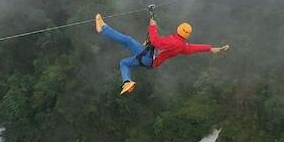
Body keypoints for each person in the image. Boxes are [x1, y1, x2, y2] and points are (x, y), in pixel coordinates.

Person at [95, 11, 229, 95]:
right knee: (123, 63)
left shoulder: (172, 41)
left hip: (148, 56)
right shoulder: (182, 46)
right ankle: (127, 82)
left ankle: (103, 29)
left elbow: (154, 41)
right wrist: (211, 48)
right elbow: (194, 48)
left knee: (128, 40)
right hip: (151, 62)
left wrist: (153, 25)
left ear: (178, 29)